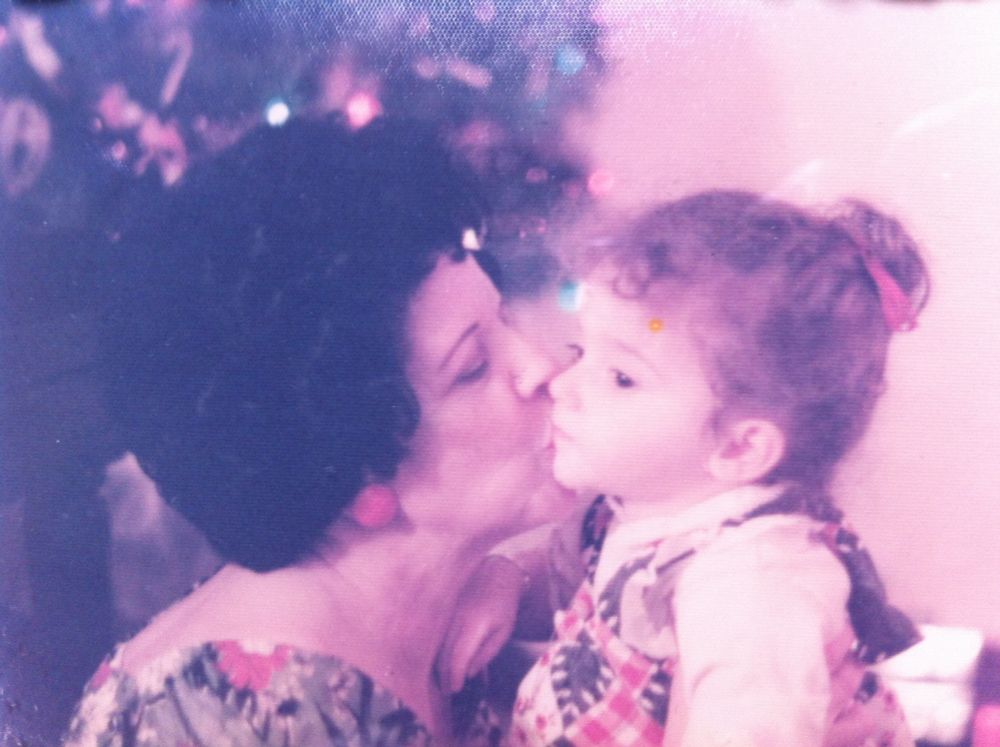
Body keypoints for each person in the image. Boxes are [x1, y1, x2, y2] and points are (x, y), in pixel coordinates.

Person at [63, 116, 577, 746]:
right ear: (343, 467)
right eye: (473, 368)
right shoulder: (256, 721)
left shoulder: (432, 614)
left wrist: (511, 575)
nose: (544, 369)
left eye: (503, 318)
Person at [452, 191, 929, 745]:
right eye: (582, 352)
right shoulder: (653, 512)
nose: (562, 384)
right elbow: (568, 576)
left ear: (738, 449)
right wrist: (504, 581)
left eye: (622, 378)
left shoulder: (752, 580)